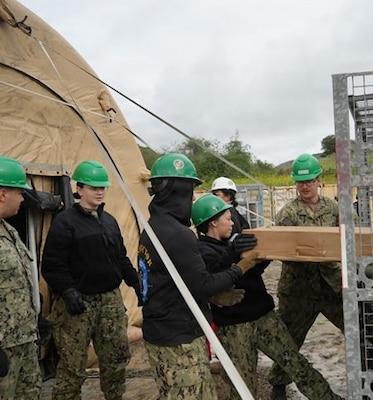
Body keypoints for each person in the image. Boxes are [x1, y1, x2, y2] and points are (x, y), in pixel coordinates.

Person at [193, 194, 344, 400]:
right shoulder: (202, 251)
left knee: (296, 363)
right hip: (234, 328)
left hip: (264, 318)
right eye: (227, 219)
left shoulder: (232, 242)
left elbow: (254, 272)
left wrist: (263, 253)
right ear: (213, 222)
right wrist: (233, 252)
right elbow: (214, 273)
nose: (232, 222)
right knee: (242, 384)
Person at [137, 153, 259, 399]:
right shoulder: (178, 234)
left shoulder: (152, 226)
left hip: (160, 334)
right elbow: (202, 285)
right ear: (176, 190)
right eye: (190, 189)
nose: (193, 197)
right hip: (179, 340)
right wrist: (241, 267)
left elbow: (176, 281)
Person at [41, 160, 141, 400]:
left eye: (102, 187)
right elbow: (52, 265)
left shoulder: (110, 222)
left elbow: (120, 257)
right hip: (78, 304)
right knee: (72, 364)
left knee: (116, 357)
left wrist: (136, 282)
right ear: (80, 189)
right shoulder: (65, 222)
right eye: (93, 187)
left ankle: (115, 396)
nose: (99, 192)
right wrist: (68, 291)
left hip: (110, 301)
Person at [268, 153, 345, 400]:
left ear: (319, 180)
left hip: (330, 287)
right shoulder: (287, 213)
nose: (305, 186)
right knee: (289, 340)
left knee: (356, 330)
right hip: (298, 289)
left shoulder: (333, 209)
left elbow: (347, 241)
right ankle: (278, 385)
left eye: (309, 181)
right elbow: (281, 249)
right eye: (301, 182)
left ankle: (369, 374)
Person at [0, 156, 42, 398]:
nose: (24, 198)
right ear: (3, 194)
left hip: (24, 339)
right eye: (20, 192)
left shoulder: (10, 229)